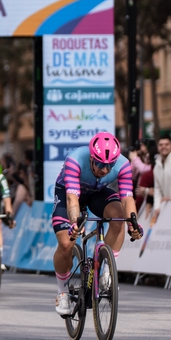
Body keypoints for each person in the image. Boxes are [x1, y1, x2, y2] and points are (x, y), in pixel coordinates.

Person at [52, 132, 141, 315]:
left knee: (119, 218)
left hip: (97, 193)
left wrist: (133, 223)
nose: (105, 170)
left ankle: (106, 271)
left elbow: (127, 198)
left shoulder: (123, 164)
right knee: (66, 243)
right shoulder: (75, 160)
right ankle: (63, 292)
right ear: (92, 158)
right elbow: (72, 198)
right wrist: (75, 222)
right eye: (100, 164)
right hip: (68, 192)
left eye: (110, 165)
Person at [153, 134, 171, 223]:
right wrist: (157, 207)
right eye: (161, 145)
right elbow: (157, 189)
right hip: (166, 208)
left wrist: (170, 198)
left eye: (166, 144)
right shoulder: (157, 166)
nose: (163, 147)